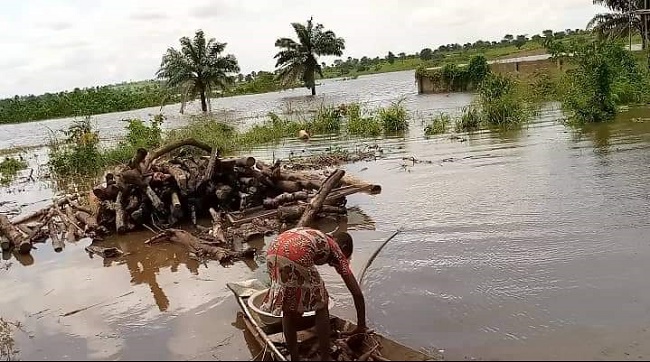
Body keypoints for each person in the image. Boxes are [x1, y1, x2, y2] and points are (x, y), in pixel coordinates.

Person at [261, 226, 367, 361]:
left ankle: (294, 357)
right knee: (322, 303)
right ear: (344, 247)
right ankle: (325, 357)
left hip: (273, 250)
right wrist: (361, 326)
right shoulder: (336, 249)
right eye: (346, 256)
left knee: (289, 307)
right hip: (295, 252)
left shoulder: (320, 237)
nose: (339, 262)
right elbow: (357, 293)